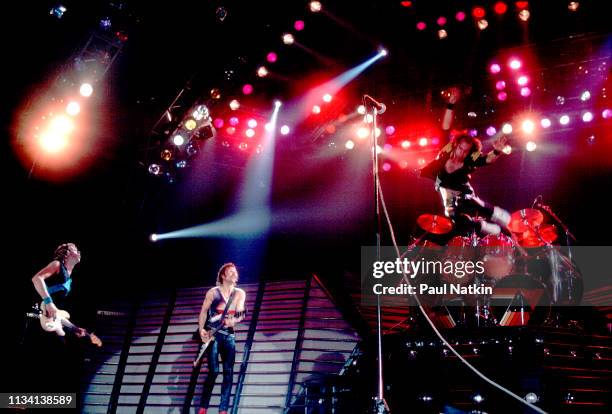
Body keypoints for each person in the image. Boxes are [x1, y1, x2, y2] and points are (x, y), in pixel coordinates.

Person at [420, 87, 512, 236]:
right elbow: (445, 128)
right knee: (453, 216)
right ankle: (483, 227)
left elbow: (486, 159)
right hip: (447, 192)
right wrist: (450, 105)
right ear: (456, 145)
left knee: (470, 200)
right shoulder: (447, 150)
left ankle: (501, 216)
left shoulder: (470, 159)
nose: (461, 153)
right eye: (460, 148)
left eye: (465, 151)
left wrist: (496, 151)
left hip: (464, 192)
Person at [197, 263, 246, 414]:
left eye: (235, 272)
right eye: (230, 272)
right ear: (223, 276)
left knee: (228, 372)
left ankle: (223, 409)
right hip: (214, 335)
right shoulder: (213, 292)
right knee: (213, 372)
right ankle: (203, 406)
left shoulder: (239, 293)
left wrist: (235, 320)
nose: (234, 274)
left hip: (229, 336)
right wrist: (201, 330)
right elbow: (204, 312)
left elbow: (241, 313)